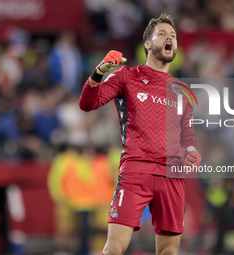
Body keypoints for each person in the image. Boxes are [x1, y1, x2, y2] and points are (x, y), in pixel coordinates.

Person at [79, 14, 202, 255]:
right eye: (163, 34)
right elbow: (87, 104)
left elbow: (186, 133)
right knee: (114, 248)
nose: (170, 38)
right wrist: (99, 72)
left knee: (169, 251)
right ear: (147, 44)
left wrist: (192, 150)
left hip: (172, 174)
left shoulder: (182, 91)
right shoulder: (127, 76)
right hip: (136, 171)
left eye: (173, 36)